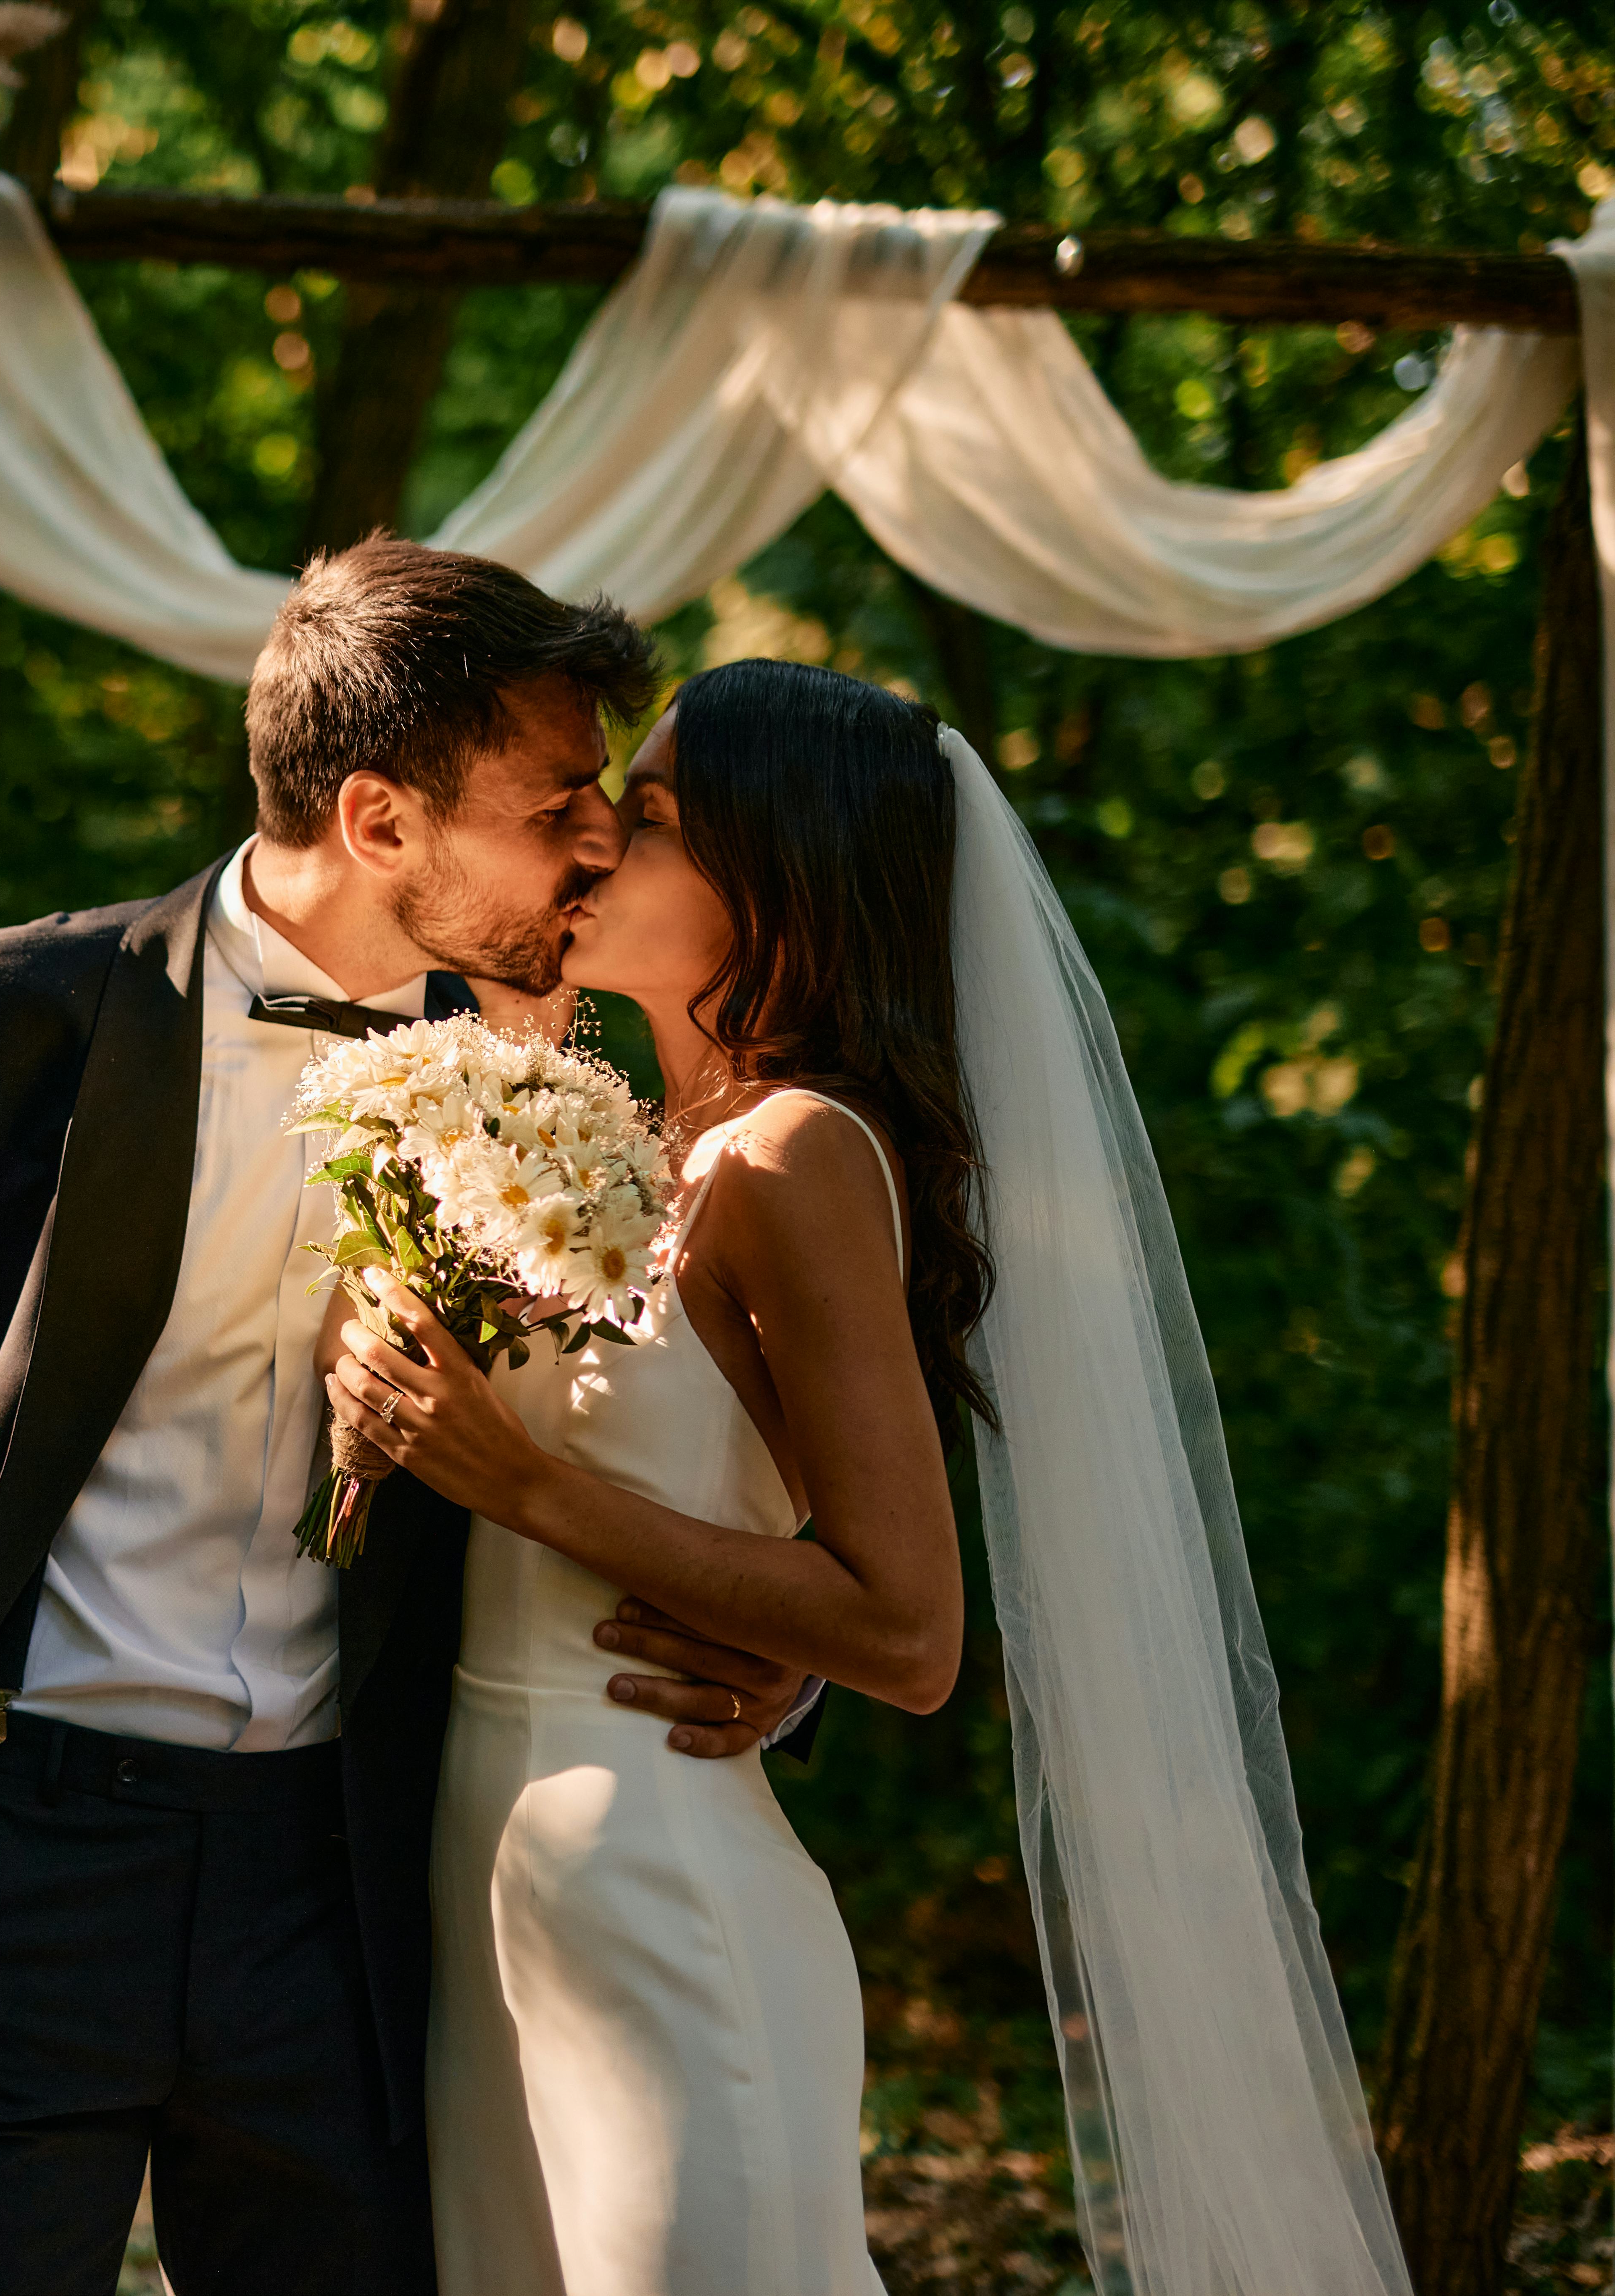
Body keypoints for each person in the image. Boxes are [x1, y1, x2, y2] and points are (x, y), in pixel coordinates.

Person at [0, 541, 816, 2296]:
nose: (598, 838)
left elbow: (661, 1437)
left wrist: (775, 1650)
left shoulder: (566, 1086)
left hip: (349, 1890)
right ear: (379, 822)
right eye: (557, 799)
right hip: (5, 1856)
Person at [328, 658, 1414, 2296]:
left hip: (664, 1908)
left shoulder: (795, 1154)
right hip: (507, 1912)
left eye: (653, 820)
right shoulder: (626, 1145)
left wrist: (527, 1486)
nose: (596, 847)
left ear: (780, 882)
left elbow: (906, 1632)